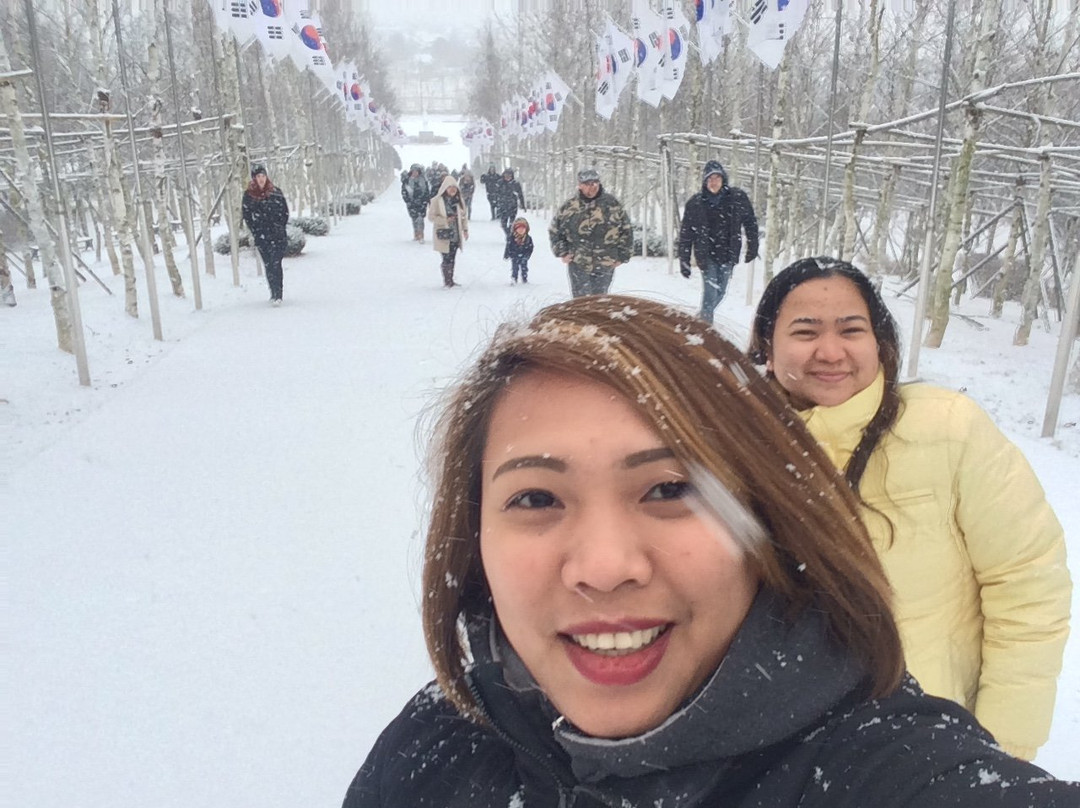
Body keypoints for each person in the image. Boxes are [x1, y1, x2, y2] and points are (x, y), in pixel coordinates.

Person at [342, 295, 1079, 808]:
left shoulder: (888, 772)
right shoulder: (434, 746)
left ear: (769, 516)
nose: (604, 566)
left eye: (668, 490)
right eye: (536, 499)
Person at [747, 257, 1072, 761]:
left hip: (930, 744)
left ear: (880, 342)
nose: (830, 352)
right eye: (805, 331)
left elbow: (1028, 583)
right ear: (768, 346)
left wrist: (1000, 745)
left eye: (851, 330)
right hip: (781, 750)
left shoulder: (949, 429)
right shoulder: (737, 445)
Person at [678, 159, 759, 323]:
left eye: (717, 178)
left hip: (728, 253)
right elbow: (686, 234)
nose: (713, 182)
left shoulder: (737, 198)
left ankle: (700, 319)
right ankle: (705, 328)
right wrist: (684, 260)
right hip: (706, 254)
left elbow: (750, 222)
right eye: (710, 179)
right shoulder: (696, 203)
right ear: (705, 181)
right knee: (710, 292)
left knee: (721, 292)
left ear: (723, 180)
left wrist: (753, 246)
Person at [548, 167, 633, 297]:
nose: (592, 187)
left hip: (605, 262)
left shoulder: (612, 204)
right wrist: (562, 252)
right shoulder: (570, 207)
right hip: (578, 263)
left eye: (594, 183)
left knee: (599, 301)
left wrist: (622, 256)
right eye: (587, 184)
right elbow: (555, 230)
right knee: (580, 302)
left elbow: (626, 230)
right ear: (580, 185)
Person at [241, 163, 289, 306]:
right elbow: (247, 216)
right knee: (268, 265)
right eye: (258, 176)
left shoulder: (275, 192)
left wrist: (279, 227)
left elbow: (284, 212)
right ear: (254, 178)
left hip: (277, 236)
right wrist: (257, 231)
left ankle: (278, 293)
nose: (261, 179)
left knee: (276, 263)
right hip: (262, 237)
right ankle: (272, 292)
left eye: (263, 176)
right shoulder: (249, 196)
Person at [426, 175, 469, 288]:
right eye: (450, 188)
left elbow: (463, 217)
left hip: (455, 233)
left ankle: (451, 279)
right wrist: (445, 220)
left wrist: (465, 230)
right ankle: (447, 280)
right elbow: (431, 217)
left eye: (454, 188)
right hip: (443, 233)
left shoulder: (459, 201)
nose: (452, 190)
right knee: (446, 257)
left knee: (453, 256)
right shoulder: (436, 201)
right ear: (445, 188)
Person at [400, 163, 430, 242]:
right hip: (411, 203)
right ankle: (416, 233)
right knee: (414, 218)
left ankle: (421, 234)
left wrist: (426, 200)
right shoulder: (407, 181)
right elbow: (404, 191)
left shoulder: (423, 180)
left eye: (416, 171)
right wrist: (407, 200)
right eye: (413, 171)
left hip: (421, 203)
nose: (415, 173)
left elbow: (427, 191)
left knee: (420, 219)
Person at [494, 168, 526, 236]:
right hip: (503, 206)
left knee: (512, 223)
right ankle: (508, 234)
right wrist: (496, 203)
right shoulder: (500, 183)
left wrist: (523, 204)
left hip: (512, 206)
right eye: (506, 175)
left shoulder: (515, 184)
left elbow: (520, 194)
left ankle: (510, 233)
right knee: (503, 224)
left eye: (509, 175)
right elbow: (496, 194)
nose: (508, 177)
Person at [502, 216, 533, 284]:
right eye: (519, 229)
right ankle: (514, 277)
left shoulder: (528, 239)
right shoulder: (512, 238)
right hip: (514, 255)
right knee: (515, 267)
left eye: (523, 229)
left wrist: (527, 255)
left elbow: (530, 248)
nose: (521, 231)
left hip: (524, 255)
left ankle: (524, 277)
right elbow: (508, 246)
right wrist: (507, 254)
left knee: (524, 267)